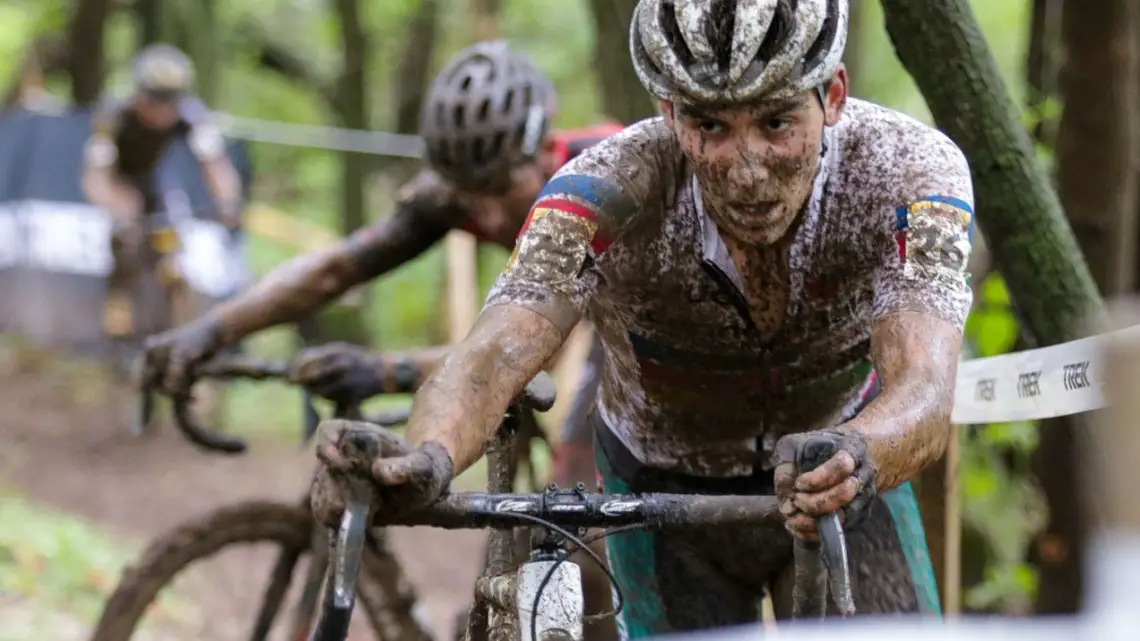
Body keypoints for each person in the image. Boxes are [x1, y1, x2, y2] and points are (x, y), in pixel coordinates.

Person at [311, 0, 974, 636]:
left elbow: (924, 380)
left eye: (776, 123)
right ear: (668, 112)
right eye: (709, 125)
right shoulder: (604, 185)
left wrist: (859, 453)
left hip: (844, 470)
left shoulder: (910, 171)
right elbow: (496, 351)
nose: (745, 170)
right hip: (663, 486)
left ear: (832, 95)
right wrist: (427, 456)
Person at [141, 39, 622, 639]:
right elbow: (334, 269)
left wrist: (387, 369)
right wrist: (208, 333)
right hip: (535, 328)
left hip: (626, 331)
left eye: (503, 189)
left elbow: (538, 349)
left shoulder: (597, 173)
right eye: (470, 196)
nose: (490, 214)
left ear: (542, 148)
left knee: (581, 532)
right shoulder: (458, 193)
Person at [82, 43, 244, 345]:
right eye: (156, 102)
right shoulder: (113, 117)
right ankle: (119, 315)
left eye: (171, 103)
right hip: (119, 184)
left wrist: (228, 202)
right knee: (125, 241)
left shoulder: (190, 115)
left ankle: (183, 336)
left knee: (173, 257)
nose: (164, 113)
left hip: (153, 185)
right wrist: (116, 204)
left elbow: (215, 165)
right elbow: (96, 176)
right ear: (140, 95)